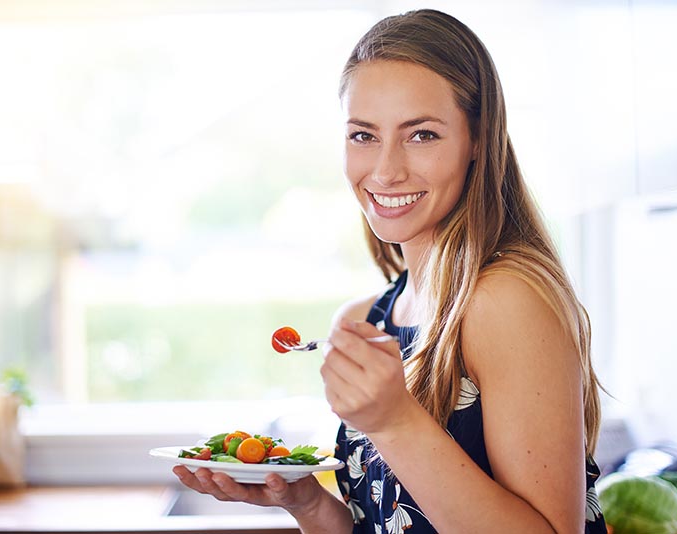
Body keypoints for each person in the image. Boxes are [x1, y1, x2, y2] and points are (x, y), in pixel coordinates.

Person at [173, 8, 607, 533]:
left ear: (478, 139)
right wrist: (307, 504)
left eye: (421, 134)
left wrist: (395, 422)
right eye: (363, 135)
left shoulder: (505, 300)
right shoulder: (369, 318)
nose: (384, 170)